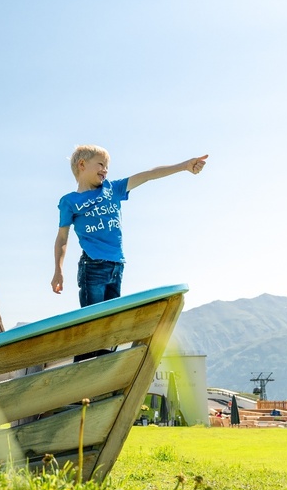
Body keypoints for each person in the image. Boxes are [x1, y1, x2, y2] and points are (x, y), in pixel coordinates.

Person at [51, 145, 206, 360]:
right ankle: (81, 382)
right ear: (82, 164)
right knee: (92, 328)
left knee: (110, 330)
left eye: (107, 166)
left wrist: (184, 166)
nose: (105, 170)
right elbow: (62, 238)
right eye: (101, 164)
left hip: (117, 265)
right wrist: (58, 270)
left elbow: (149, 175)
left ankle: (104, 384)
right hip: (92, 267)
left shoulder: (113, 189)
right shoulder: (69, 202)